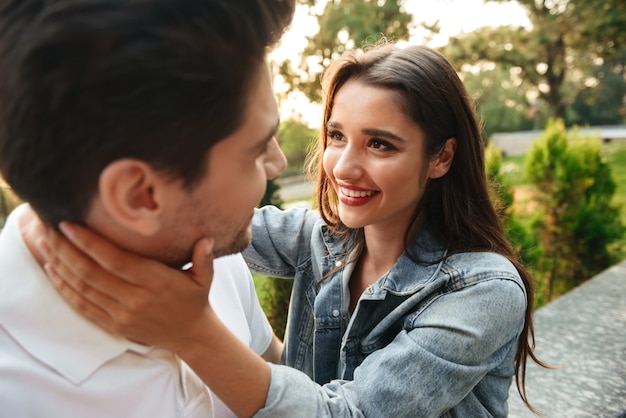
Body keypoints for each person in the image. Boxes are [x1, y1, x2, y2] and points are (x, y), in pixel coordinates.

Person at [39, 43, 545, 417]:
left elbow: (348, 415)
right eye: (336, 135)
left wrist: (189, 331)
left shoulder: (483, 290)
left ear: (442, 157)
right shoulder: (322, 240)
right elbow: (213, 218)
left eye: (381, 145)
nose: (343, 167)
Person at [0, 0, 295, 417]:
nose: (278, 163)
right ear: (141, 195)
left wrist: (201, 336)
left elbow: (281, 380)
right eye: (255, 150)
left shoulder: (208, 252)